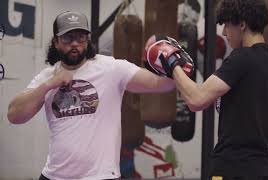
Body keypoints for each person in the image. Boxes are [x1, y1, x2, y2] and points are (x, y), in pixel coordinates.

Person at [7, 11, 175, 180]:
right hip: (54, 175)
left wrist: (176, 66)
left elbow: (160, 84)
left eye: (80, 38)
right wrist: (50, 84)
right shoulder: (47, 76)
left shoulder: (110, 69)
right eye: (68, 38)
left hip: (100, 176)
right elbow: (14, 115)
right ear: (56, 42)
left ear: (87, 40)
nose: (75, 43)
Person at [145, 0, 268, 179]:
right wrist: (255, 116)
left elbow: (196, 100)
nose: (224, 33)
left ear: (242, 24)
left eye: (227, 25)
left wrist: (172, 63)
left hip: (232, 169)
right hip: (265, 170)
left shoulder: (241, 58)